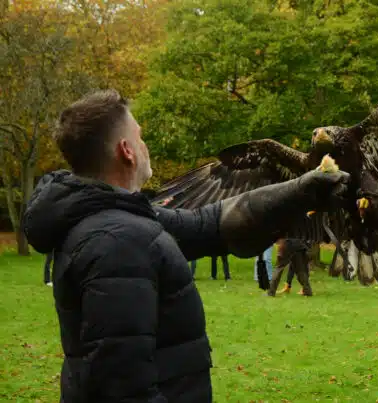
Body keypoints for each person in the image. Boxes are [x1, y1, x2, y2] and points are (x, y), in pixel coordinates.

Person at [22, 89, 350, 403]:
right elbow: (121, 387)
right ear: (127, 151)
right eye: (140, 137)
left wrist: (301, 191)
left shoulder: (120, 218)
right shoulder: (117, 242)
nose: (145, 145)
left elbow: (210, 224)